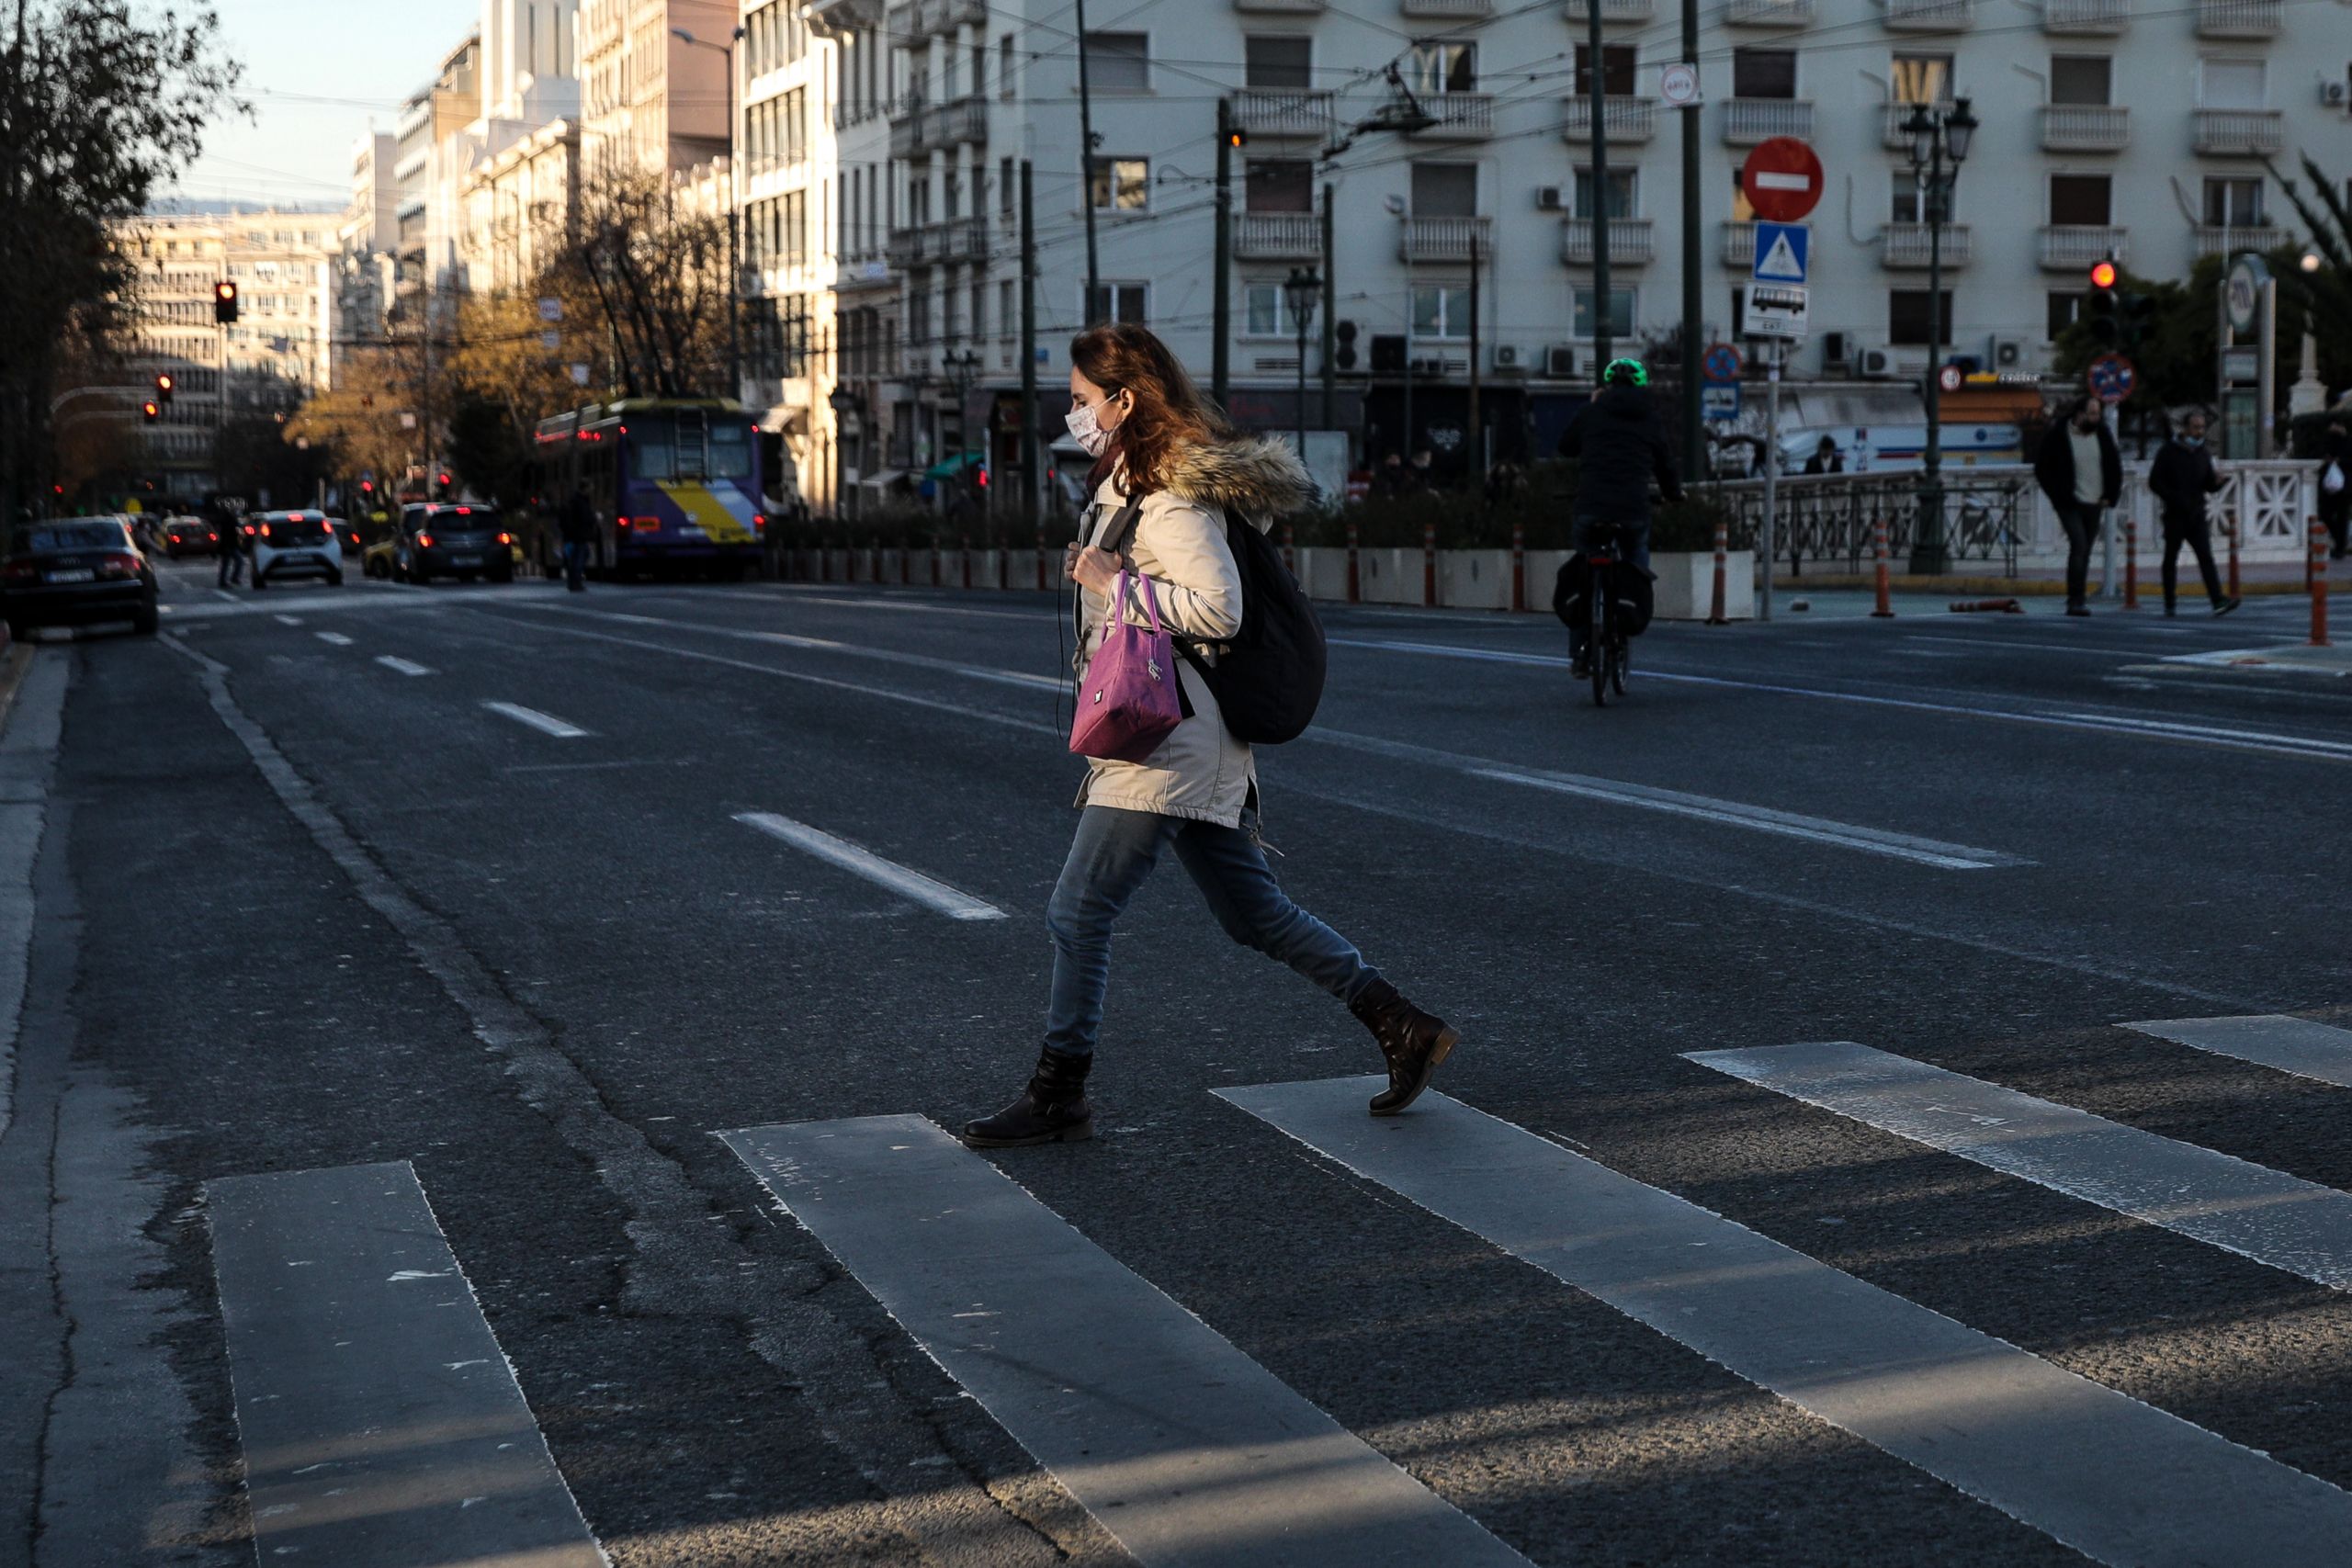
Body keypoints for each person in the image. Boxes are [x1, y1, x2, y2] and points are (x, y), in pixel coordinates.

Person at [961, 321, 1461, 1149]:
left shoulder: (1170, 499)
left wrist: (1116, 582)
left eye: (1083, 400)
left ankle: (1059, 1092)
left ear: (1124, 400)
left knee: (1078, 909)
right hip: (1179, 735)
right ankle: (1400, 1022)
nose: (1074, 413)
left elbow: (1218, 609)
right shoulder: (1129, 485)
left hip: (1166, 741)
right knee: (1251, 913)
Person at [1555, 357, 1682, 677]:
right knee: (1636, 562)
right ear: (1642, 386)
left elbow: (1565, 447)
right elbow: (1665, 465)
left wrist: (1591, 409)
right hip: (1633, 509)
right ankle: (1628, 615)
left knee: (1585, 572)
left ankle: (1580, 654)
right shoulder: (1650, 418)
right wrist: (1673, 494)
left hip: (1590, 506)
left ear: (1607, 385)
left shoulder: (1592, 412)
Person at [2033, 396, 2121, 615]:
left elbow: (2113, 465)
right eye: (2092, 413)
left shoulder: (2102, 434)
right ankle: (2075, 599)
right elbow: (2042, 468)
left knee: (2086, 550)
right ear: (2079, 414)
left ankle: (2079, 597)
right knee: (2079, 545)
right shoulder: (2059, 435)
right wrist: (2057, 496)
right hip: (2069, 502)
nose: (2096, 418)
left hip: (2095, 502)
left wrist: (2111, 494)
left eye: (2097, 414)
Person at [2146, 409, 2237, 617]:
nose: (2199, 432)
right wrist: (2174, 497)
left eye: (2202, 428)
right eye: (2196, 428)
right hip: (2175, 515)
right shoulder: (2168, 452)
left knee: (2206, 557)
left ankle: (2217, 600)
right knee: (2171, 559)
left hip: (2196, 515)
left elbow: (2207, 485)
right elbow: (2154, 482)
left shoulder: (2203, 453)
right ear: (2186, 429)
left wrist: (2218, 483)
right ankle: (2170, 602)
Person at [2320, 418, 2350, 560]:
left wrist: (2340, 461)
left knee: (2342, 516)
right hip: (2330, 485)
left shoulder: (2348, 441)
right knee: (2326, 514)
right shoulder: (2330, 440)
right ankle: (2339, 541)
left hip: (2344, 485)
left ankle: (2340, 547)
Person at [560, 480, 595, 592]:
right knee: (579, 558)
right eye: (590, 488)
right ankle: (575, 583)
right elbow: (584, 517)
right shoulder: (580, 502)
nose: (591, 491)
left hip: (575, 535)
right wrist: (593, 519)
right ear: (585, 488)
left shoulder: (575, 500)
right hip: (579, 535)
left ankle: (574, 582)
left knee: (579, 557)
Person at [210, 498, 244, 587]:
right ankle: (229, 579)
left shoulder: (227, 518)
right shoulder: (229, 519)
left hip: (229, 544)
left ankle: (227, 580)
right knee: (235, 561)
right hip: (229, 545)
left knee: (228, 563)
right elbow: (228, 533)